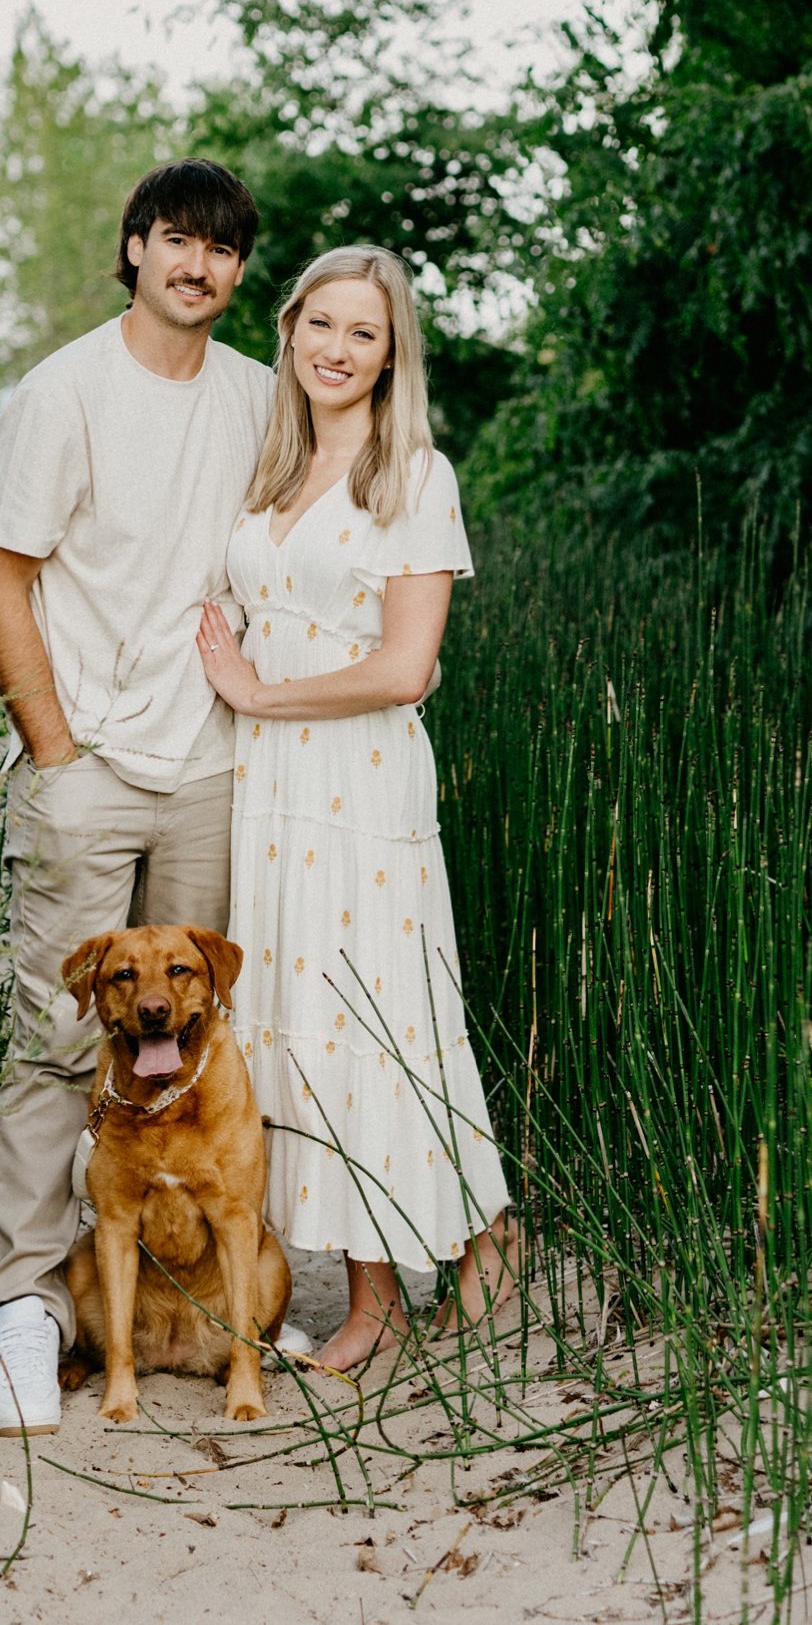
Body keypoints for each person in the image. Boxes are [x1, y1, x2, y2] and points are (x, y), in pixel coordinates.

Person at [0, 160, 272, 1435]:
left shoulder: (260, 398)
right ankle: (25, 1314)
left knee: (189, 1047)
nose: (199, 266)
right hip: (89, 768)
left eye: (222, 250)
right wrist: (56, 755)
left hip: (210, 768)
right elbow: (1, 580)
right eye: (177, 241)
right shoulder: (65, 391)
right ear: (134, 246)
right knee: (58, 1048)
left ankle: (202, 1311)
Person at [197, 245, 512, 1371]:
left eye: (362, 333)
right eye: (319, 324)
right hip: (268, 791)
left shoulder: (413, 475)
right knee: (298, 1023)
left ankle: (379, 1299)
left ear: (391, 355)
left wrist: (260, 694)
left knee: (372, 1025)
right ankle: (485, 1232)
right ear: (287, 330)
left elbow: (406, 669)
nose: (336, 348)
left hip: (359, 783)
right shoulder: (264, 470)